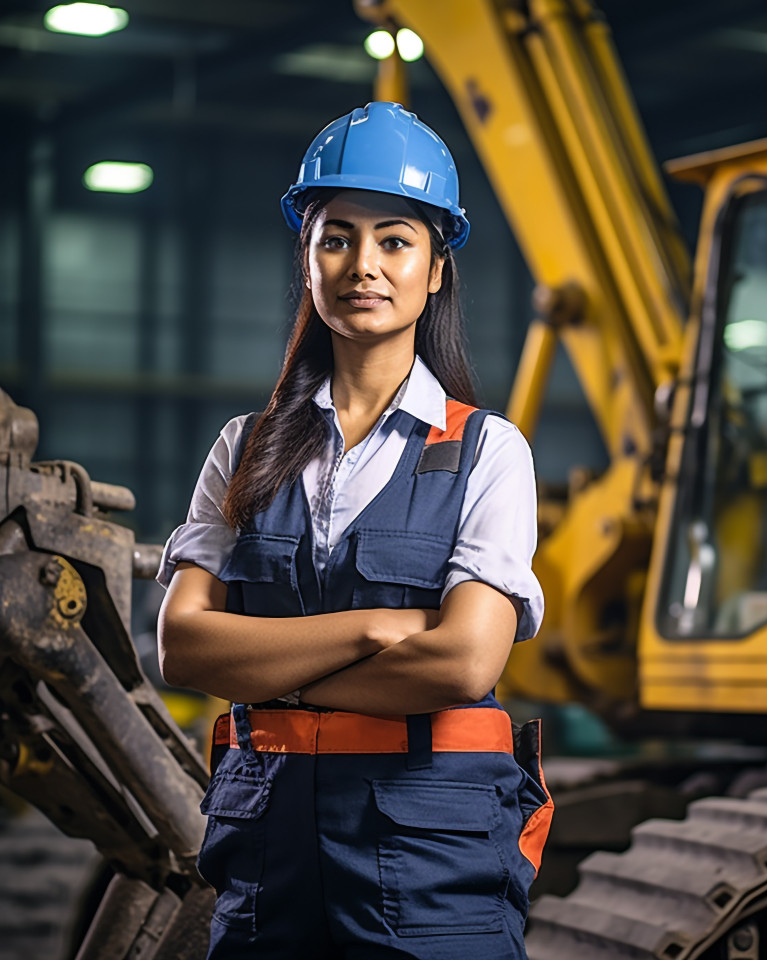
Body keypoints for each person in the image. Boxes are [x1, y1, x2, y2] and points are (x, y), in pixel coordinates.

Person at [157, 101, 552, 960]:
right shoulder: (246, 448)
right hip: (268, 864)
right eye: (336, 238)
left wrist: (270, 680)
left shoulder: (488, 451)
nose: (363, 265)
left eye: (395, 240)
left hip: (431, 873)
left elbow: (465, 661)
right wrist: (375, 632)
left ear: (435, 268)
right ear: (306, 259)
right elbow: (183, 648)